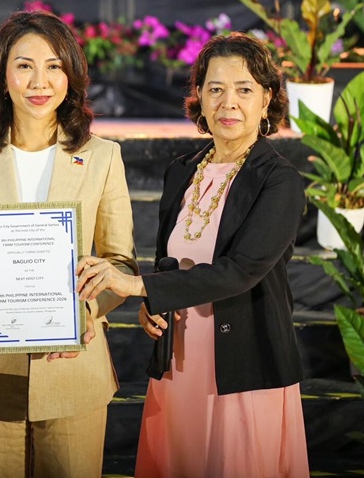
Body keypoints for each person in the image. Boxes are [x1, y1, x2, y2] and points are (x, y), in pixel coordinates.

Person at [77, 32, 310, 477]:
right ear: (199, 96)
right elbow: (169, 263)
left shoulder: (279, 180)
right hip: (179, 362)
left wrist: (139, 285)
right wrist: (152, 304)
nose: (228, 103)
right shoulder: (182, 171)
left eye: (244, 90)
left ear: (266, 100)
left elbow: (240, 271)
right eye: (215, 89)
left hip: (243, 366)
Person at [0, 9, 138, 478]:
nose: (40, 81)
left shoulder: (102, 157)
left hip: (73, 373)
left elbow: (121, 264)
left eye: (53, 66)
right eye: (24, 66)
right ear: (1, 76)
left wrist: (85, 311)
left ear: (70, 75)